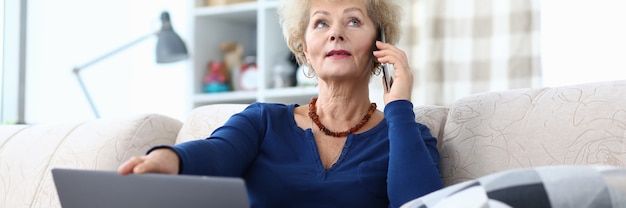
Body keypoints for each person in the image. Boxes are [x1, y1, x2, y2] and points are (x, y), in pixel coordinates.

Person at [118, 0, 444, 207]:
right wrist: (167, 159)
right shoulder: (263, 122)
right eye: (321, 22)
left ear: (380, 44)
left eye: (354, 21)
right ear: (304, 47)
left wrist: (399, 106)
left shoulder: (408, 136)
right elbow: (215, 153)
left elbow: (418, 203)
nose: (336, 33)